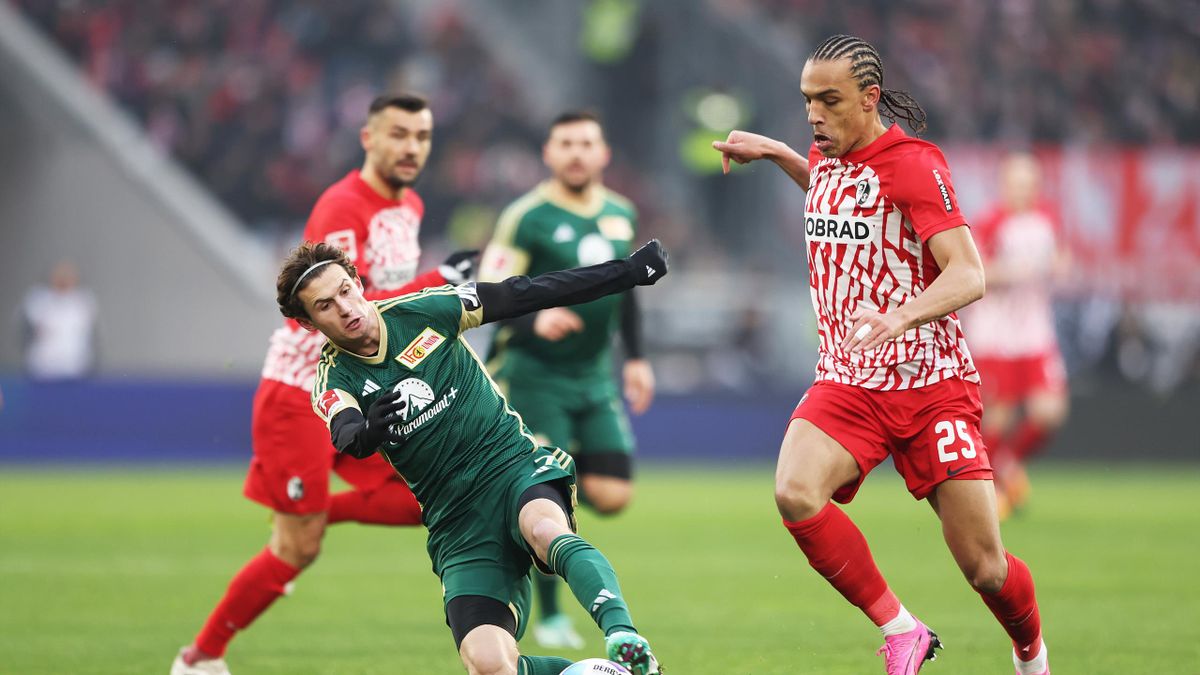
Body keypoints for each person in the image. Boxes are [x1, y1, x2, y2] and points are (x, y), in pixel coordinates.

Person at [712, 35, 1049, 675]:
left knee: (985, 568)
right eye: (808, 100)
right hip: (850, 379)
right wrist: (782, 153)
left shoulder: (917, 166)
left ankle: (1032, 656)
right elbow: (846, 198)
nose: (815, 114)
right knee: (795, 492)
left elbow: (968, 274)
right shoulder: (828, 156)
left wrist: (896, 317)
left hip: (933, 385)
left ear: (869, 100)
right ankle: (903, 630)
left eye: (829, 100)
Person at [173, 94, 476, 675]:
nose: (411, 147)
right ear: (368, 138)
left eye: (422, 135)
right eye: (398, 134)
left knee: (421, 498)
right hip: (303, 389)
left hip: (363, 385)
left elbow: (378, 298)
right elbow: (343, 309)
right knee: (297, 549)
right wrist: (439, 281)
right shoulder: (341, 205)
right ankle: (198, 658)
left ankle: (319, 508)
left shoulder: (409, 202)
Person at [287, 239, 668, 674]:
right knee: (488, 664)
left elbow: (530, 292)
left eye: (345, 291)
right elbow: (346, 430)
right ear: (307, 322)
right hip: (455, 521)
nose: (345, 307)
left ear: (358, 282)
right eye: (325, 305)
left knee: (544, 529)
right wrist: (368, 432)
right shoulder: (333, 378)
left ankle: (624, 637)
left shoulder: (430, 309)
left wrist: (626, 272)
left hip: (511, 465)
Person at [478, 110, 654, 650]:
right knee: (549, 492)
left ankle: (548, 525)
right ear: (548, 154)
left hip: (592, 375)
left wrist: (636, 359)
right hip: (532, 375)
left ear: (603, 155)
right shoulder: (525, 217)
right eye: (565, 144)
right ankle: (551, 617)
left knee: (612, 493)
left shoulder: (621, 213)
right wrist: (535, 317)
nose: (576, 153)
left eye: (586, 143)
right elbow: (488, 286)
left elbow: (626, 288)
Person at [960, 153, 1070, 518]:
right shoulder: (991, 222)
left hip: (1036, 332)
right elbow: (977, 273)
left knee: (1050, 411)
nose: (1024, 191)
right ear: (1005, 186)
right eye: (1017, 184)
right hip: (997, 335)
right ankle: (990, 494)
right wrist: (1011, 271)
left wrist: (1060, 265)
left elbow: (1060, 258)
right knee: (998, 418)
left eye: (1030, 184)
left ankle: (1005, 464)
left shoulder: (1045, 219)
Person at [20, 260, 97, 380]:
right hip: (43, 368)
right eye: (60, 276)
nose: (64, 280)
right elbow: (26, 332)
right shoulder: (38, 300)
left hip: (75, 367)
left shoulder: (84, 301)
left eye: (68, 276)